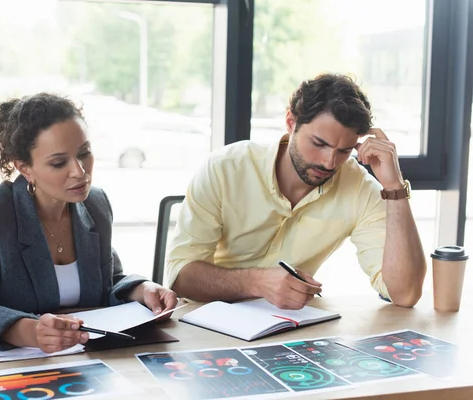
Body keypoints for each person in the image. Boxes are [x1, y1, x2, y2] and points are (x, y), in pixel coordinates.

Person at [166, 73, 426, 310]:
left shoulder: (358, 187)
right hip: (208, 326)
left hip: (289, 327)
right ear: (291, 122)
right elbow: (180, 277)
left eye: (344, 151)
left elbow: (404, 294)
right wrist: (257, 282)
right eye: (319, 143)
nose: (329, 162)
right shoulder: (225, 168)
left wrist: (395, 188)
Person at [0, 93, 178, 352]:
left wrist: (142, 290)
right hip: (20, 366)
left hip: (86, 358)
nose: (80, 171)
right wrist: (28, 331)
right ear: (25, 168)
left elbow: (108, 280)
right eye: (58, 163)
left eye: (84, 153)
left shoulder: (95, 204)